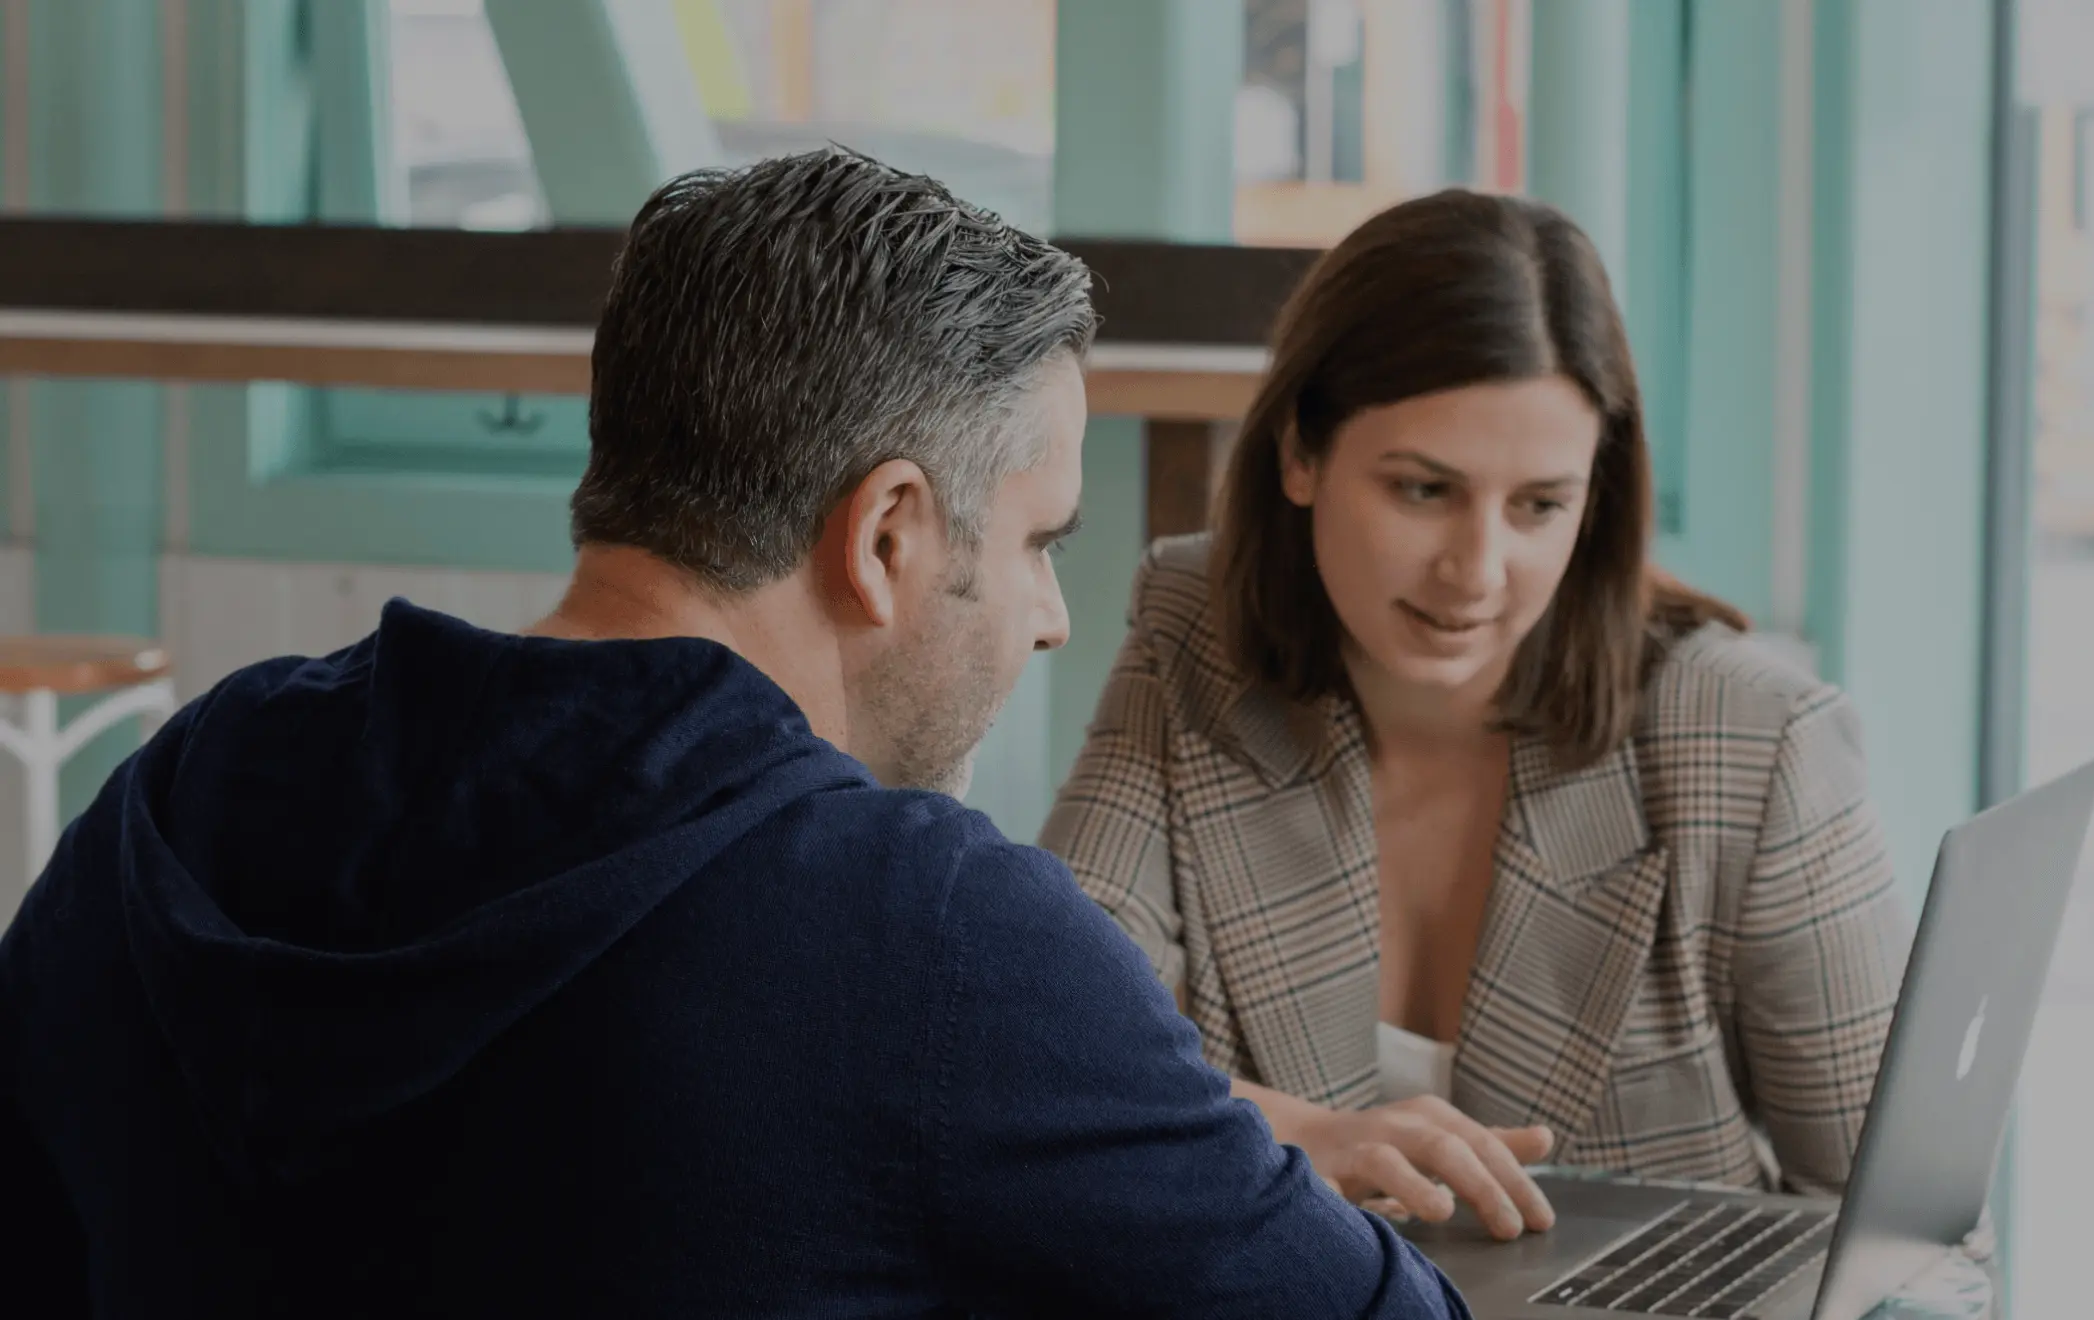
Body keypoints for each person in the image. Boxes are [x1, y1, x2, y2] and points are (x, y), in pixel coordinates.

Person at [0, 149, 1463, 1318]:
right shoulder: (930, 931)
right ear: (886, 536)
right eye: (1038, 542)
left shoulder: (189, 785)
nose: (1051, 617)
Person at [1042, 190, 1911, 1244]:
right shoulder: (1199, 631)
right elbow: (1043, 1042)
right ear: (1300, 453)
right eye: (1423, 490)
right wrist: (1302, 1137)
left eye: (1539, 506)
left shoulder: (1756, 742)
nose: (1477, 572)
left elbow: (1909, 1244)